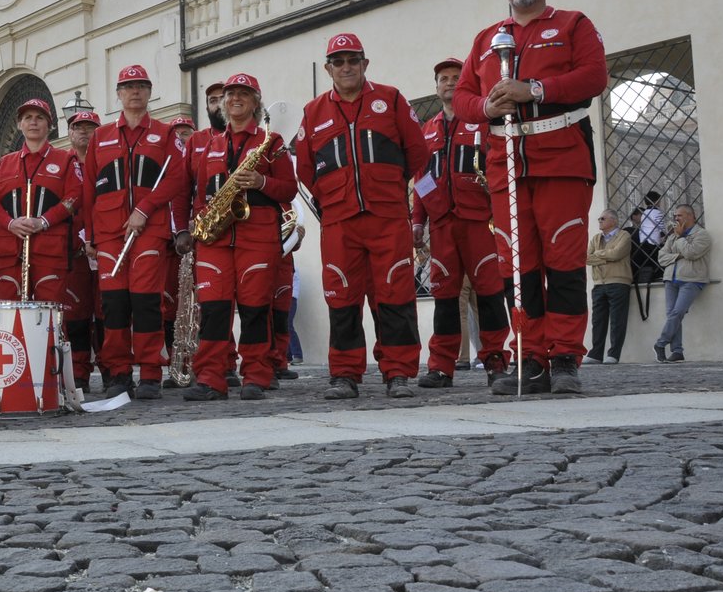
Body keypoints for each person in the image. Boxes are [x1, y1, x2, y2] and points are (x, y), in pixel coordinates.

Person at [454, 0, 609, 395]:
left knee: (562, 260)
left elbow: (594, 77)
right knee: (517, 264)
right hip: (505, 163)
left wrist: (534, 89)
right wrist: (485, 105)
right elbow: (464, 95)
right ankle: (529, 357)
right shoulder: (487, 39)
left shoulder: (573, 24)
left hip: (560, 155)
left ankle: (564, 358)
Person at [293, 33, 427, 399]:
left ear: (365, 64)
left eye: (353, 60)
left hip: (388, 219)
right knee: (341, 296)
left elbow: (417, 152)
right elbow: (305, 170)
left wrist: (388, 189)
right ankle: (345, 375)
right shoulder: (313, 111)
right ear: (328, 69)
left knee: (395, 293)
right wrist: (334, 199)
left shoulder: (392, 99)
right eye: (339, 62)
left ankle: (398, 373)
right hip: (340, 222)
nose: (347, 67)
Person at [181, 73, 296, 400]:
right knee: (214, 311)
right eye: (229, 94)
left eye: (243, 94)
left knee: (256, 309)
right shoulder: (211, 146)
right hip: (215, 239)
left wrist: (261, 182)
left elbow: (289, 189)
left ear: (255, 101)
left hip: (257, 236)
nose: (234, 99)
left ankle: (256, 377)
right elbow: (201, 194)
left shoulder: (271, 143)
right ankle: (210, 379)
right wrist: (198, 222)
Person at [83, 65, 186, 400]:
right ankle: (118, 373)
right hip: (110, 233)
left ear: (149, 91)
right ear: (118, 94)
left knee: (146, 303)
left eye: (141, 86)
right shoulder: (101, 136)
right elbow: (88, 189)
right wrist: (90, 236)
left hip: (149, 230)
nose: (135, 92)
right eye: (128, 87)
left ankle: (151, 374)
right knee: (114, 305)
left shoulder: (165, 132)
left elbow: (177, 178)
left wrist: (145, 209)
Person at [412, 57, 510, 388]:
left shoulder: (482, 123)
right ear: (436, 86)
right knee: (444, 297)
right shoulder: (426, 131)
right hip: (441, 225)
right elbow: (420, 180)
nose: (450, 82)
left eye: (456, 77)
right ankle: (441, 365)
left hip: (479, 221)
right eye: (444, 78)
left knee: (490, 293)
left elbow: (499, 167)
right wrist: (417, 221)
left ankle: (496, 361)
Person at [0, 98, 82, 303]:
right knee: (11, 319)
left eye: (40, 118)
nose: (33, 122)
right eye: (27, 118)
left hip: (50, 252)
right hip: (10, 253)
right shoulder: (4, 164)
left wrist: (43, 221)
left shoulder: (65, 160)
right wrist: (10, 223)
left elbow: (74, 198)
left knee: (49, 317)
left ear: (50, 125)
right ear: (20, 125)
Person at [62, 110, 102, 390]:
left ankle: (112, 368)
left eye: (90, 127)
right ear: (69, 133)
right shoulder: (62, 163)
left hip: (106, 249)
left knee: (108, 314)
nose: (84, 132)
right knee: (75, 316)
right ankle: (78, 373)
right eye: (78, 127)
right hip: (74, 255)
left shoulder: (109, 159)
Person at [655, 203, 710, 362]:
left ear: (690, 216)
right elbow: (661, 257)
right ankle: (677, 350)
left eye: (679, 215)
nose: (676, 218)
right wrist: (677, 255)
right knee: (672, 314)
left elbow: (691, 253)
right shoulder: (672, 236)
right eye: (675, 216)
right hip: (671, 279)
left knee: (677, 312)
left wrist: (680, 239)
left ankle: (660, 343)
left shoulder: (702, 235)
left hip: (692, 280)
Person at [586, 209, 633, 364]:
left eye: (603, 218)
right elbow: (586, 258)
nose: (599, 221)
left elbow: (617, 254)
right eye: (599, 219)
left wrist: (599, 255)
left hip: (618, 282)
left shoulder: (624, 236)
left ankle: (614, 354)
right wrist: (606, 255)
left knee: (617, 320)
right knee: (598, 320)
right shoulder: (596, 238)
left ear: (613, 221)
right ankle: (596, 354)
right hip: (599, 283)